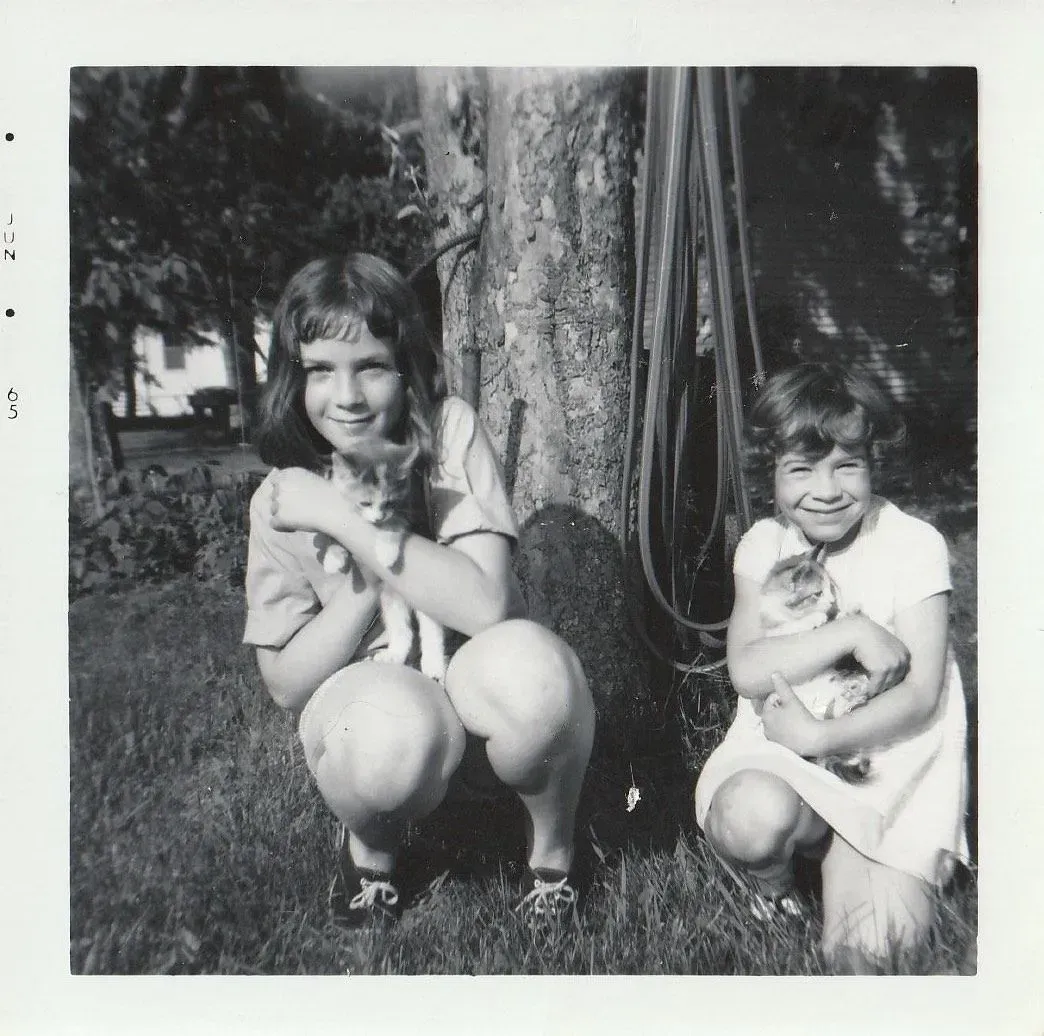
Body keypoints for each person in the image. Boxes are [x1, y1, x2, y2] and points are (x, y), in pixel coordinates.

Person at [243, 253, 595, 929]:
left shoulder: (447, 430)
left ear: (405, 365)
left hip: (475, 683)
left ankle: (553, 860)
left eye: (371, 366)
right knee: (390, 735)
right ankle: (370, 856)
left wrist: (346, 518)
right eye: (321, 370)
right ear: (293, 376)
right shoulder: (284, 494)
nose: (347, 395)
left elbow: (487, 605)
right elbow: (285, 683)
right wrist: (367, 585)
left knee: (540, 677)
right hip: (375, 705)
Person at [693, 362, 969, 972]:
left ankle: (856, 863)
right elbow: (747, 668)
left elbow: (922, 695)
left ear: (874, 462)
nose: (826, 490)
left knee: (866, 959)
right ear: (770, 470)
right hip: (782, 760)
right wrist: (852, 631)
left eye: (847, 466)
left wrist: (819, 736)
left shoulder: (913, 543)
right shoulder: (764, 544)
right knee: (750, 817)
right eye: (801, 469)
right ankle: (776, 889)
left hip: (890, 766)